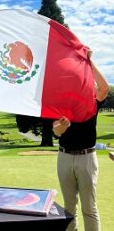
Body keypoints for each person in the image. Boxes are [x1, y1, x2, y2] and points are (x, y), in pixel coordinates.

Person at [52, 52, 109, 231]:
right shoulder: (59, 103)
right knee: (69, 209)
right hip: (64, 158)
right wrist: (60, 129)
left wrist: (89, 61)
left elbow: (104, 89)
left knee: (89, 209)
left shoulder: (92, 101)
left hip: (87, 158)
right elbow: (55, 130)